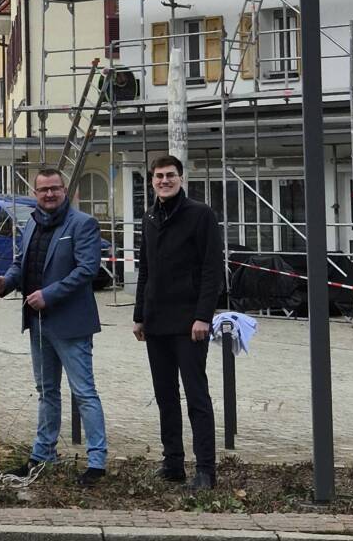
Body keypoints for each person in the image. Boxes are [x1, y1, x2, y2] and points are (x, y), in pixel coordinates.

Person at [0, 168, 108, 486]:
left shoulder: (82, 224)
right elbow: (20, 264)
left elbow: (87, 269)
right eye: (43, 190)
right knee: (46, 393)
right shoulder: (31, 223)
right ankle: (43, 456)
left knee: (84, 392)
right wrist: (5, 282)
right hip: (37, 322)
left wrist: (49, 295)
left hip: (70, 324)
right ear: (36, 194)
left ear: (64, 189)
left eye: (54, 189)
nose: (49, 195)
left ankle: (97, 462)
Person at [132, 155, 223, 491]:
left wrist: (203, 316)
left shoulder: (201, 215)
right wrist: (139, 315)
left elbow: (212, 270)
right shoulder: (150, 217)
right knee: (165, 396)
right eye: (158, 176)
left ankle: (205, 471)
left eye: (170, 175)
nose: (164, 181)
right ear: (152, 180)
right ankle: (173, 463)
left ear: (181, 178)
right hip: (156, 323)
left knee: (197, 396)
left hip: (189, 324)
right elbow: (146, 270)